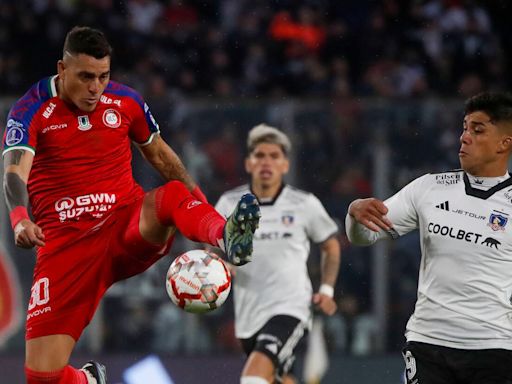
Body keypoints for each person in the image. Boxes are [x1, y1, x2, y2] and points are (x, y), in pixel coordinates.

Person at [2, 26, 261, 384]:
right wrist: (19, 218)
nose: (96, 88)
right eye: (86, 77)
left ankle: (225, 234)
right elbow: (14, 172)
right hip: (65, 249)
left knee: (169, 195)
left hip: (125, 225)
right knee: (42, 377)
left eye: (103, 77)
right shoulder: (30, 109)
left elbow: (162, 157)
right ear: (62, 69)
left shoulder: (125, 102)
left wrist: (209, 219)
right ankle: (90, 380)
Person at [345, 92, 512, 384]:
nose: (464, 137)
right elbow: (364, 236)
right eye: (464, 127)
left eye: (478, 130)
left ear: (504, 143)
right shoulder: (429, 189)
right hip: (429, 344)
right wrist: (354, 215)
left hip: (494, 347)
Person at [215, 124, 341, 384]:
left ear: (285, 165)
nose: (266, 162)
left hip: (291, 307)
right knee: (278, 378)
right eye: (259, 155)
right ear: (248, 164)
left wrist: (327, 291)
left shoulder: (304, 204)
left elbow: (330, 245)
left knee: (253, 377)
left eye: (274, 156)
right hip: (249, 314)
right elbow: (213, 251)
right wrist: (221, 267)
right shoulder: (229, 203)